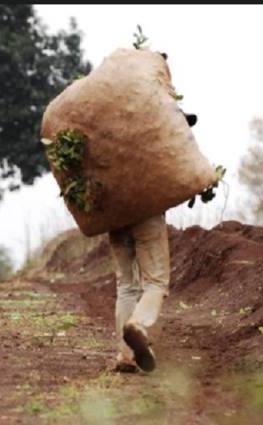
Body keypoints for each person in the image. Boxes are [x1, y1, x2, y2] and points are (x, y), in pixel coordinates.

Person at [111, 108, 197, 374]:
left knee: (126, 286)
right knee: (156, 282)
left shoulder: (113, 138)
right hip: (147, 216)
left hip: (114, 215)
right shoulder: (162, 140)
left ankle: (126, 357)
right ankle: (137, 324)